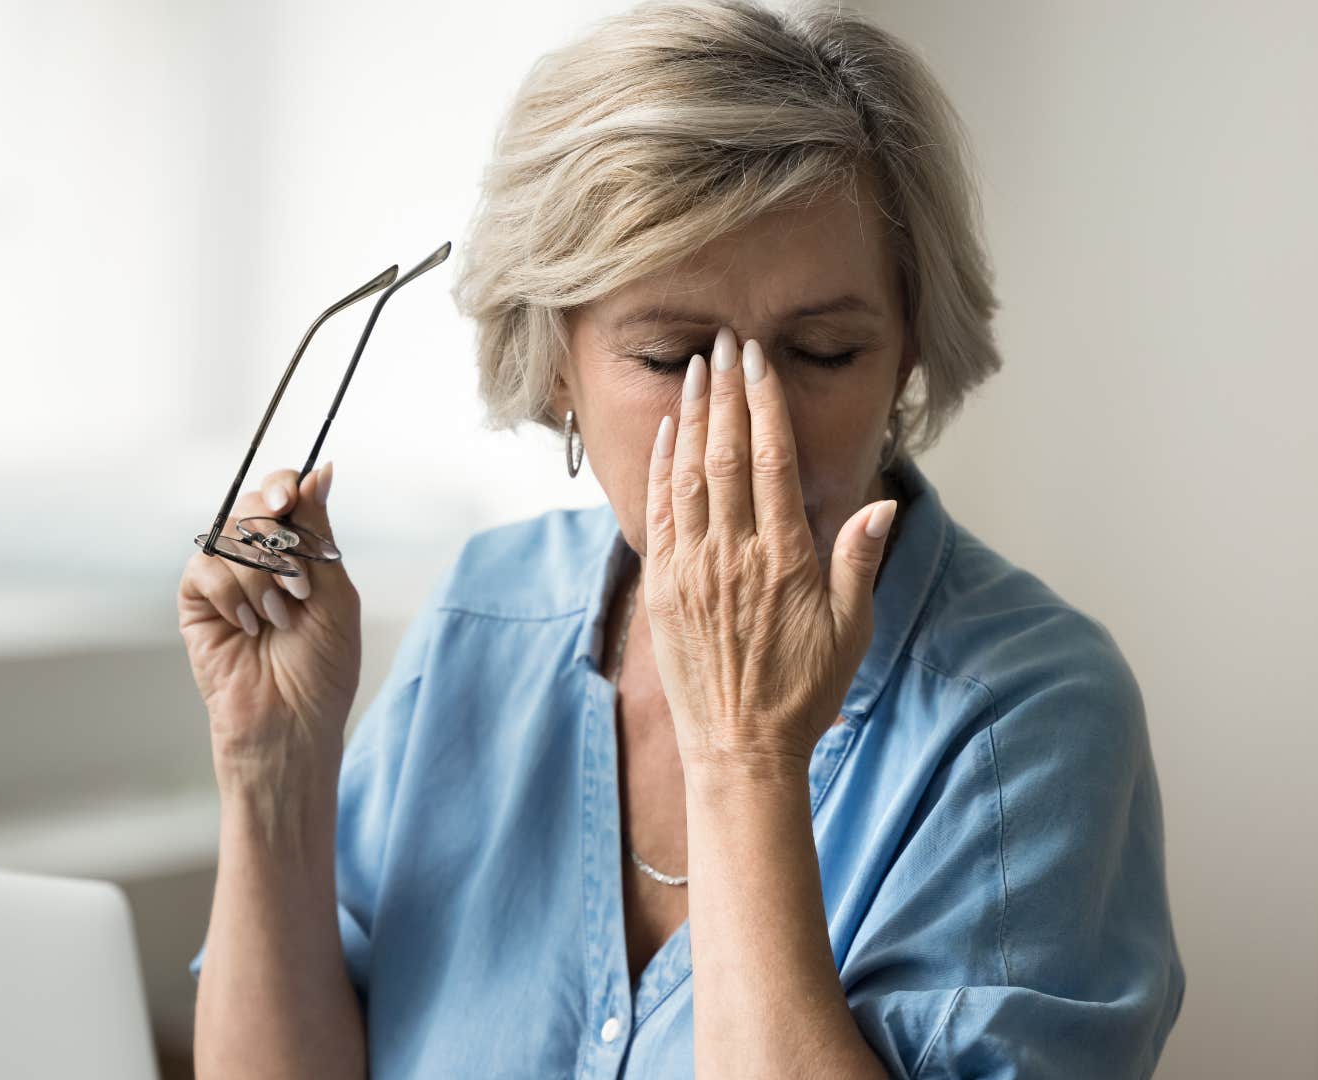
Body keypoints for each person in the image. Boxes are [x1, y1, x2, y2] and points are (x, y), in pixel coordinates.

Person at [177, 1, 1185, 1076]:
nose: (753, 434)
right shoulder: (487, 609)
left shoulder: (1027, 712)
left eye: (826, 351)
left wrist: (748, 754)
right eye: (667, 358)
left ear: (905, 357)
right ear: (555, 362)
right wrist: (272, 770)